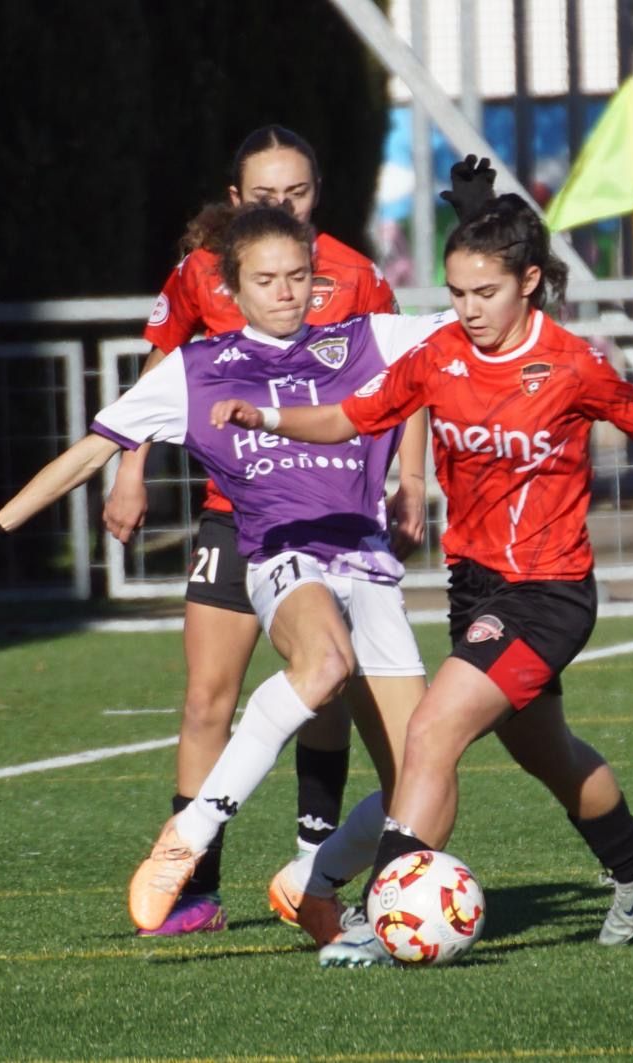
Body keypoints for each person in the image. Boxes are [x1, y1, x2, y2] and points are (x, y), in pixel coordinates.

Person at [211, 192, 633, 950]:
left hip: (550, 589)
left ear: (528, 281)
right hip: (476, 586)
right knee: (547, 751)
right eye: (457, 293)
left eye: (485, 292)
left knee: (432, 729)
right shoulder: (438, 357)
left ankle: (382, 914)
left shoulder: (572, 363)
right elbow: (348, 416)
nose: (467, 309)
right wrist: (264, 415)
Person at [0, 204, 455, 958]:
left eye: (299, 277)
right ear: (232, 289)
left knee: (426, 787)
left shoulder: (365, 339)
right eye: (265, 280)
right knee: (324, 664)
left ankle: (316, 880)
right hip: (281, 554)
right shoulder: (197, 368)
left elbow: (481, 314)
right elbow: (88, 452)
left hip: (368, 562)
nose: (285, 293)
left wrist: (484, 232)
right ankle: (191, 830)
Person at [103, 125, 426, 937]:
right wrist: (129, 466)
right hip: (232, 512)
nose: (285, 206)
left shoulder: (354, 276)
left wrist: (410, 476)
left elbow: (408, 377)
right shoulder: (199, 274)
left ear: (319, 195)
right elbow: (161, 370)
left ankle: (313, 875)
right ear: (237, 199)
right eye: (268, 194)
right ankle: (196, 883)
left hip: (330, 518)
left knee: (332, 698)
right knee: (208, 697)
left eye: (300, 192)